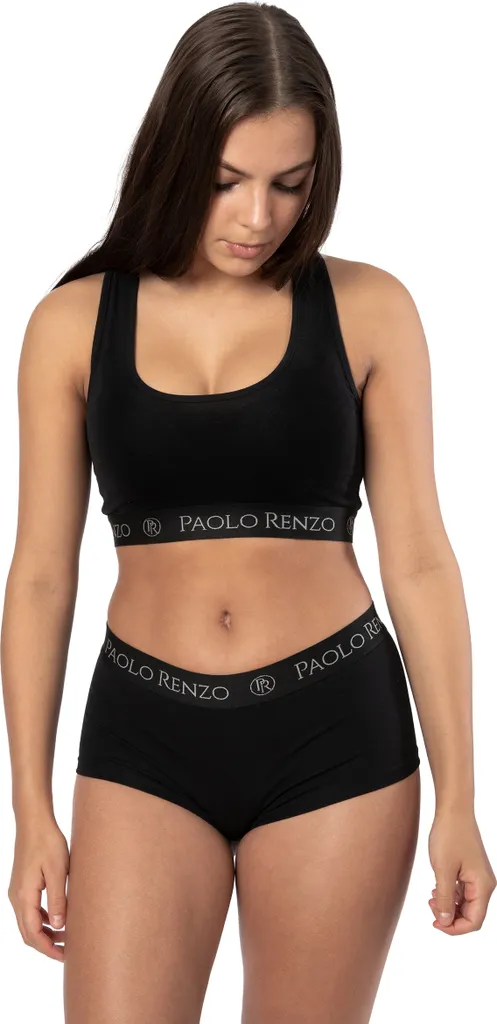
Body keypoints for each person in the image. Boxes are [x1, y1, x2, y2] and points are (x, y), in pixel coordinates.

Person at [3, 2, 495, 1022]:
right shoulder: (70, 324)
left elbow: (418, 558)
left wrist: (459, 797)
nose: (258, 217)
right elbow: (42, 576)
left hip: (336, 738)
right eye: (226, 180)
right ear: (175, 154)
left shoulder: (370, 309)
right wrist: (30, 809)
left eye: (289, 183)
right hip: (142, 738)